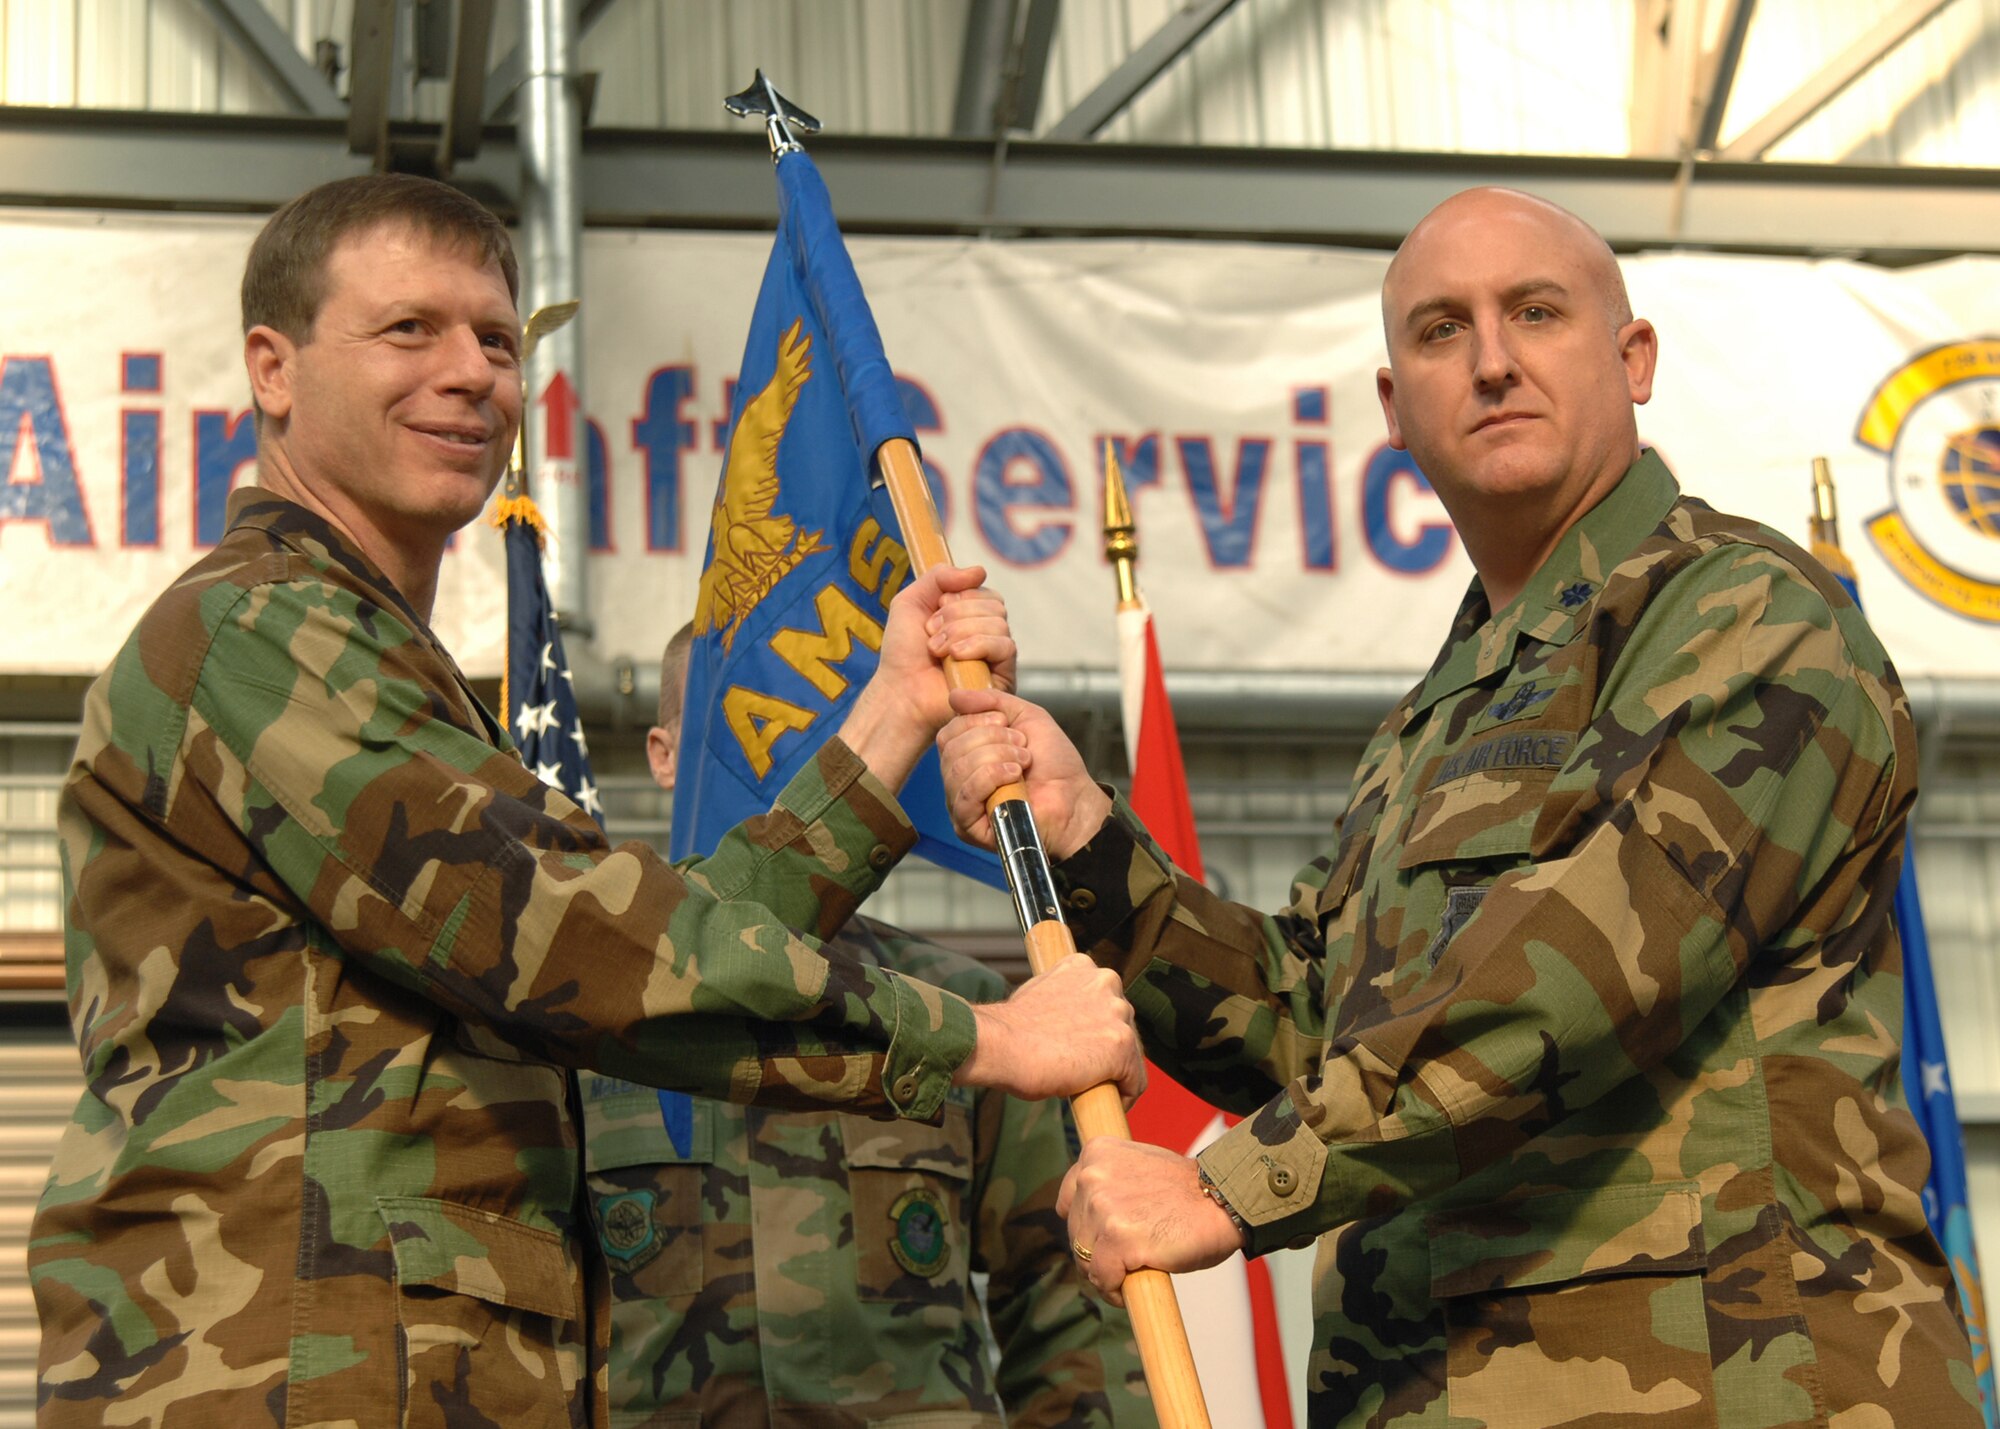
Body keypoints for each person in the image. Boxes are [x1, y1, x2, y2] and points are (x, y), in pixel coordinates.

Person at [29, 173, 1143, 1429]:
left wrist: (886, 719)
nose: (472, 374)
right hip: (287, 1381)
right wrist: (987, 1038)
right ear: (273, 369)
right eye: (409, 329)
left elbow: (625, 944)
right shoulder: (261, 626)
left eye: (496, 341)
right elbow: (576, 944)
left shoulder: (378, 660)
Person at [938, 187, 1985, 1427]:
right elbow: (1314, 1028)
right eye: (1439, 332)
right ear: (1393, 408)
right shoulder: (1437, 715)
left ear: (1630, 357)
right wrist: (1085, 840)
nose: (1490, 361)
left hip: (1736, 1382)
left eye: (1533, 313)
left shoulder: (1751, 618)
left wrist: (1227, 1190)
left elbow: (1581, 975)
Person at [578, 625, 1154, 1426]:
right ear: (663, 752)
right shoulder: (584, 1015)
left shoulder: (976, 1005)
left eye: (813, 730)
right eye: (739, 729)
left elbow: (1064, 1297)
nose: (785, 762)